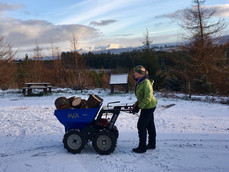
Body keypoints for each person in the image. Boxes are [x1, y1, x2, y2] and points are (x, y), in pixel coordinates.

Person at [132, 65, 157, 153]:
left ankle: (142, 148)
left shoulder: (146, 82)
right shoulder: (140, 81)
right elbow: (141, 97)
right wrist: (136, 105)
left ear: (140, 73)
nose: (134, 73)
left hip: (149, 106)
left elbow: (147, 97)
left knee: (141, 125)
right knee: (150, 125)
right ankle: (152, 144)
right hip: (147, 105)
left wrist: (139, 107)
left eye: (135, 72)